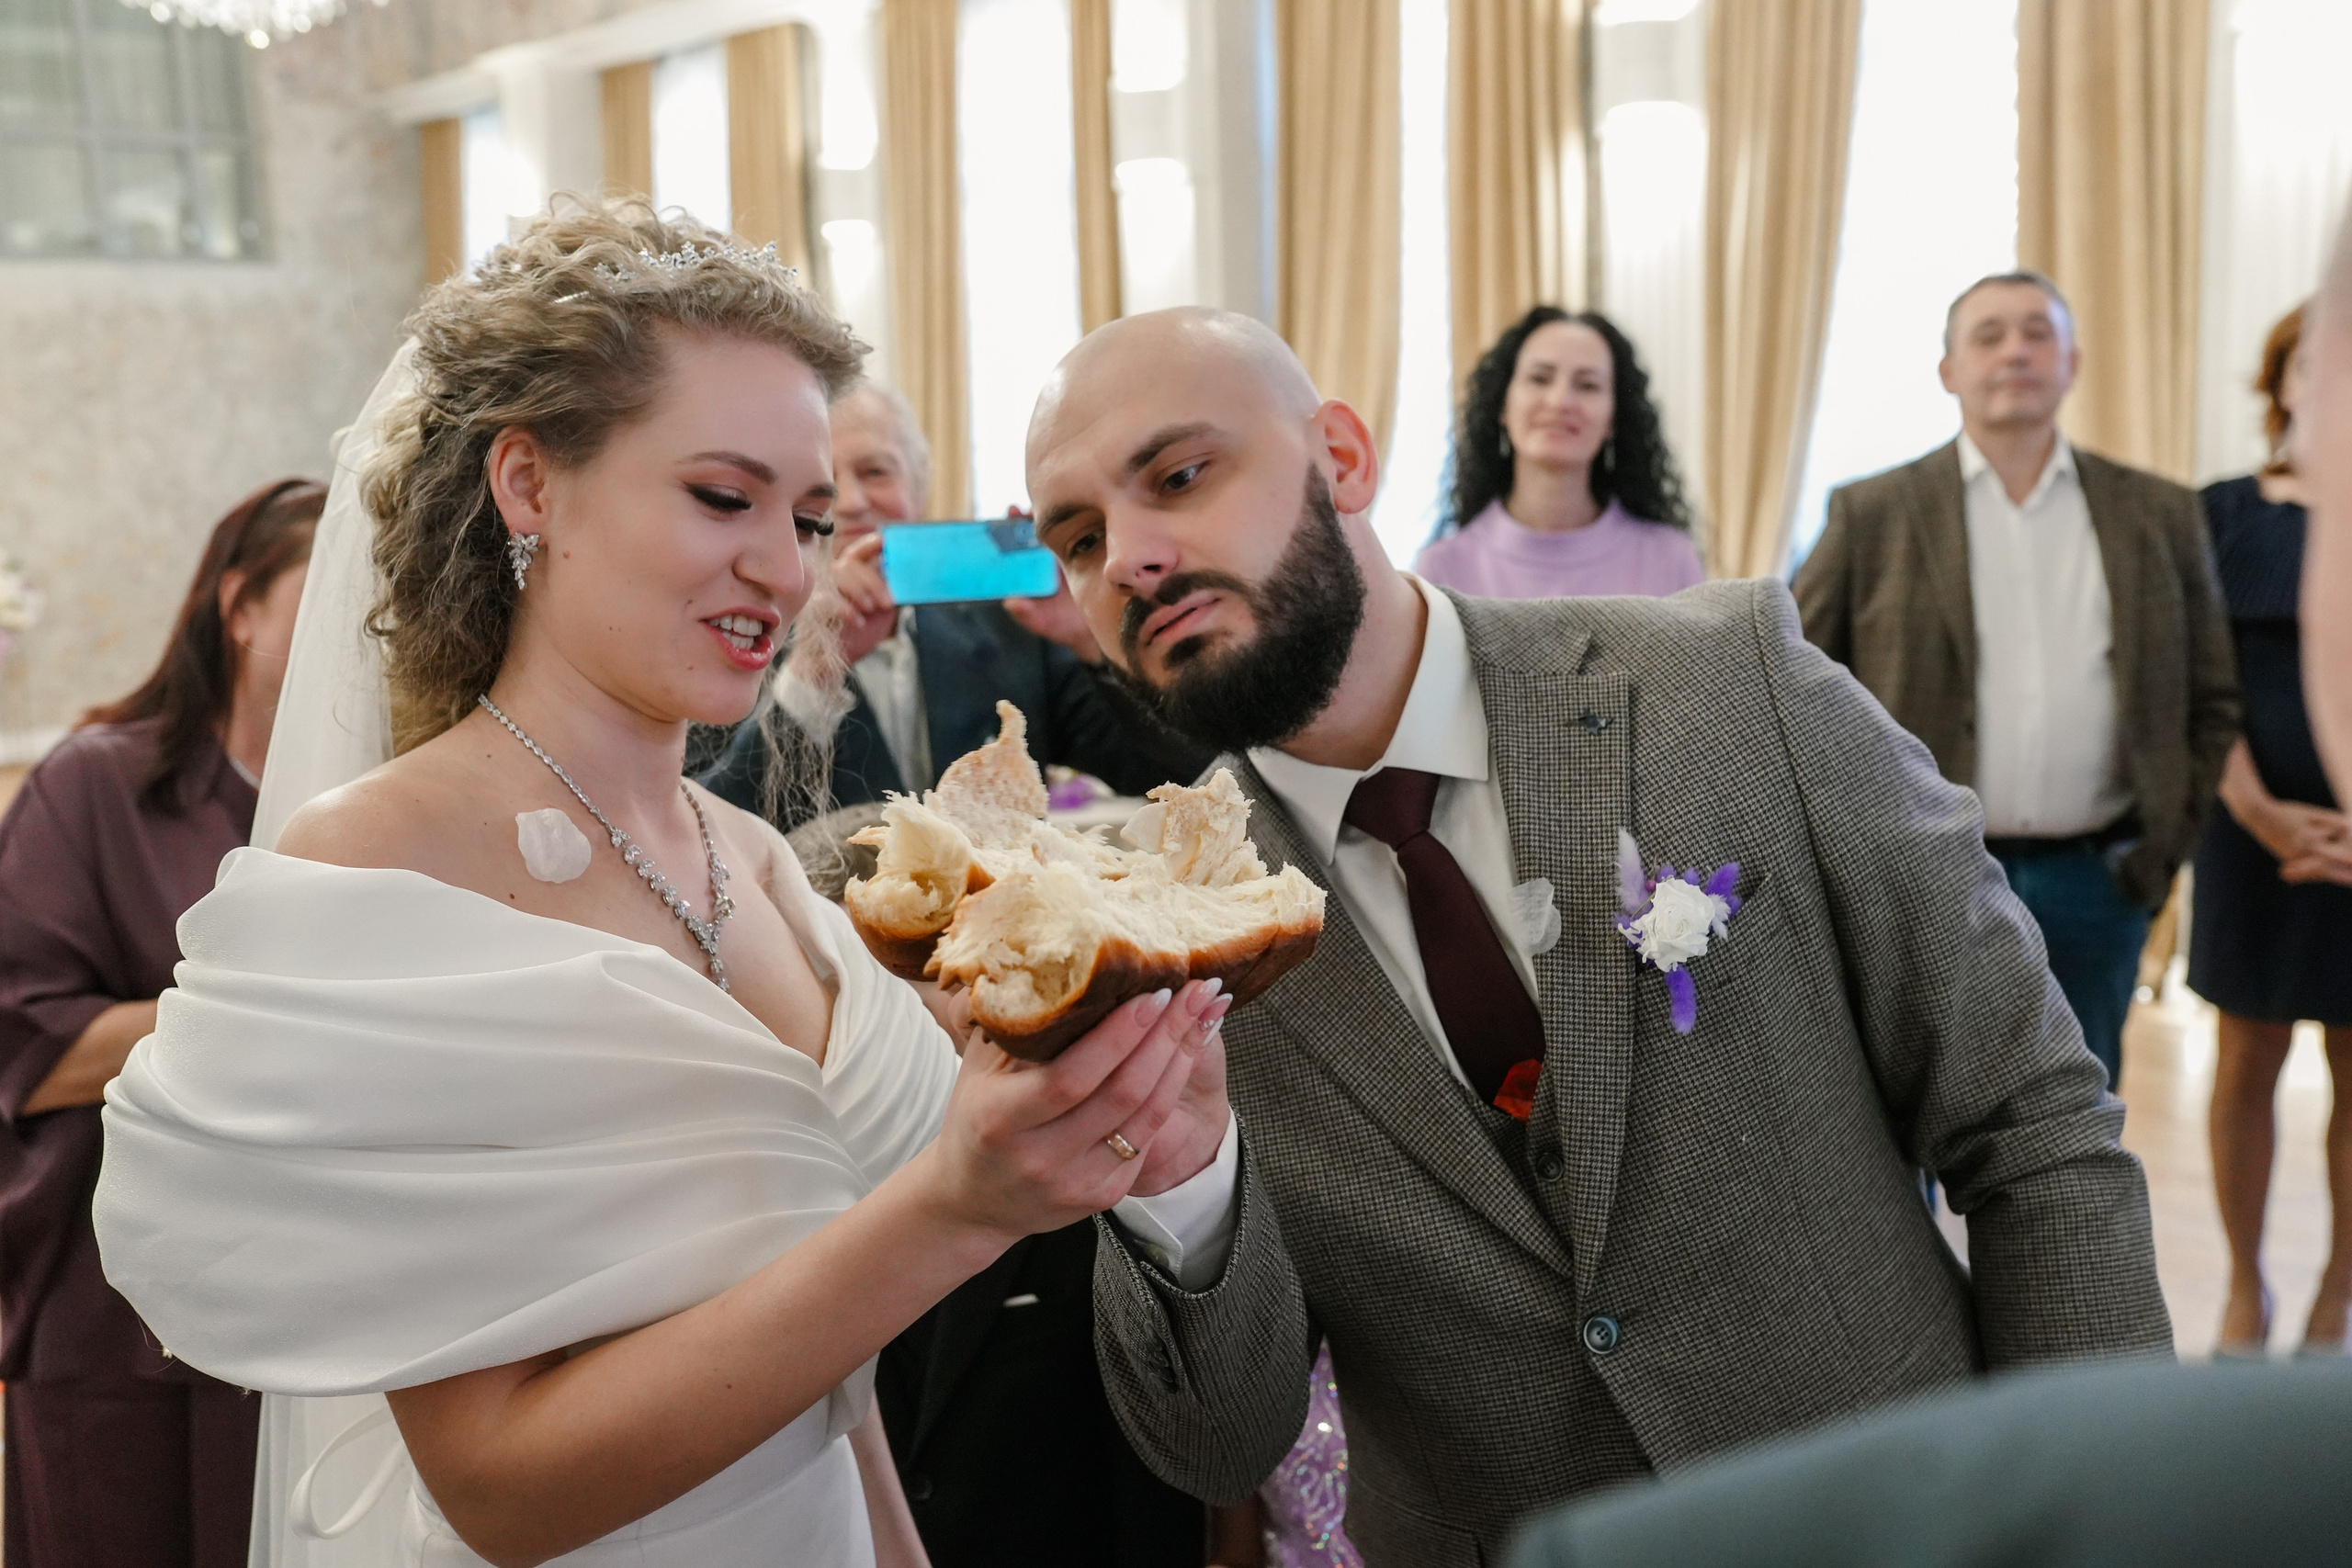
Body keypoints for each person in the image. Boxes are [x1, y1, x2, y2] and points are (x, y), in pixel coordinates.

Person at [89, 199, 1226, 1568]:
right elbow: (498, 1488)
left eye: (806, 516)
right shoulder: (373, 867)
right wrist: (955, 1207)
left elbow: (830, 1376)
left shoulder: (758, 858)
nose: (783, 565)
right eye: (720, 496)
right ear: (530, 487)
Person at [1019, 305, 2170, 1565]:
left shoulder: (1732, 683)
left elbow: (2032, 1121)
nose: (1126, 554)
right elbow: (1221, 1445)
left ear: (1342, 455)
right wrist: (1181, 1185)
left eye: (1180, 475)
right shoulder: (1170, 938)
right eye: (1077, 539)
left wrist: (2098, 1503)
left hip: (1896, 1511)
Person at [1795, 271, 2239, 1092]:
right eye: (1989, 334)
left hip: (2098, 881)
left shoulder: (2162, 512)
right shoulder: (1873, 512)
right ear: (1948, 371)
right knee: (1907, 1127)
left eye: (2038, 332)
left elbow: (2211, 699)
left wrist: (2158, 853)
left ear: (2072, 362)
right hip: (1921, 875)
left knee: (2075, 1123)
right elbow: (1791, 682)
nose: (2016, 351)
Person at [0, 477, 321, 1568]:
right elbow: (26, 1050)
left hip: (313, 1302)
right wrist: (253, 1020)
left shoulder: (381, 804)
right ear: (240, 607)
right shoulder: (95, 788)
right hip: (114, 1312)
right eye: (323, 593)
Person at [702, 384, 1211, 829]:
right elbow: (708, 828)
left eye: (876, 471)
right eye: (824, 484)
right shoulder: (738, 634)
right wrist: (813, 671)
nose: (853, 501)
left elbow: (1186, 780)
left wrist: (1091, 639)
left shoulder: (1014, 628)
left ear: (919, 489)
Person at [2189, 303, 2352, 1359]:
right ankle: (2244, 1286)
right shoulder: (2217, 511)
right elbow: (2195, 680)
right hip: (2246, 831)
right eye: (2317, 363)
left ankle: (2339, 1292)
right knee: (2245, 1054)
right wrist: (2255, 808)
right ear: (2281, 381)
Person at [1415, 308, 1703, 600]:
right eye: (1540, 378)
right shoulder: (1442, 570)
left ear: (1613, 419)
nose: (1560, 401)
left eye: (1588, 385)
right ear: (1503, 404)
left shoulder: (1672, 560)